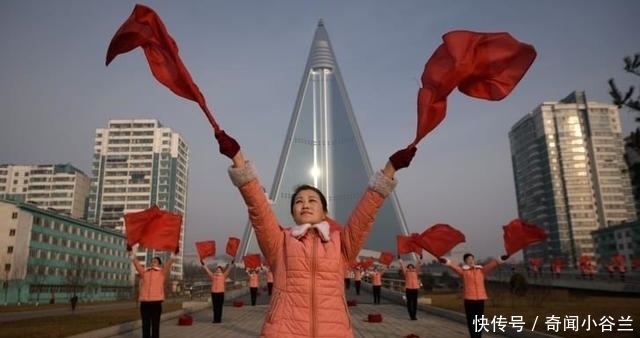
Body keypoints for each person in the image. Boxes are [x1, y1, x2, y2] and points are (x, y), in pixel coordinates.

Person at [214, 130, 415, 338]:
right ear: (293, 213)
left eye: (312, 200)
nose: (305, 204)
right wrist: (238, 159)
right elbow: (258, 208)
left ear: (325, 212)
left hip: (334, 331)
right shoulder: (279, 242)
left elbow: (365, 215)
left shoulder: (341, 244)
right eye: (299, 201)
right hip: (283, 331)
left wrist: (390, 169)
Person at [440, 253, 507, 338]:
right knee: (471, 321)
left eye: (472, 259)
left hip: (480, 299)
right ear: (465, 262)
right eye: (468, 259)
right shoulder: (463, 272)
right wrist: (447, 262)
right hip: (469, 299)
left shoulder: (481, 271)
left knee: (479, 321)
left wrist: (500, 259)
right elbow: (455, 267)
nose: (471, 261)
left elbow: (491, 265)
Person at [130, 249, 176, 338]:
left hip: (156, 303)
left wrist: (174, 254)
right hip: (144, 303)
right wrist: (131, 253)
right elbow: (137, 264)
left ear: (159, 264)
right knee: (145, 325)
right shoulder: (144, 272)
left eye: (155, 261)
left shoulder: (161, 272)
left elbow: (169, 264)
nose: (152, 262)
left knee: (155, 325)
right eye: (152, 261)